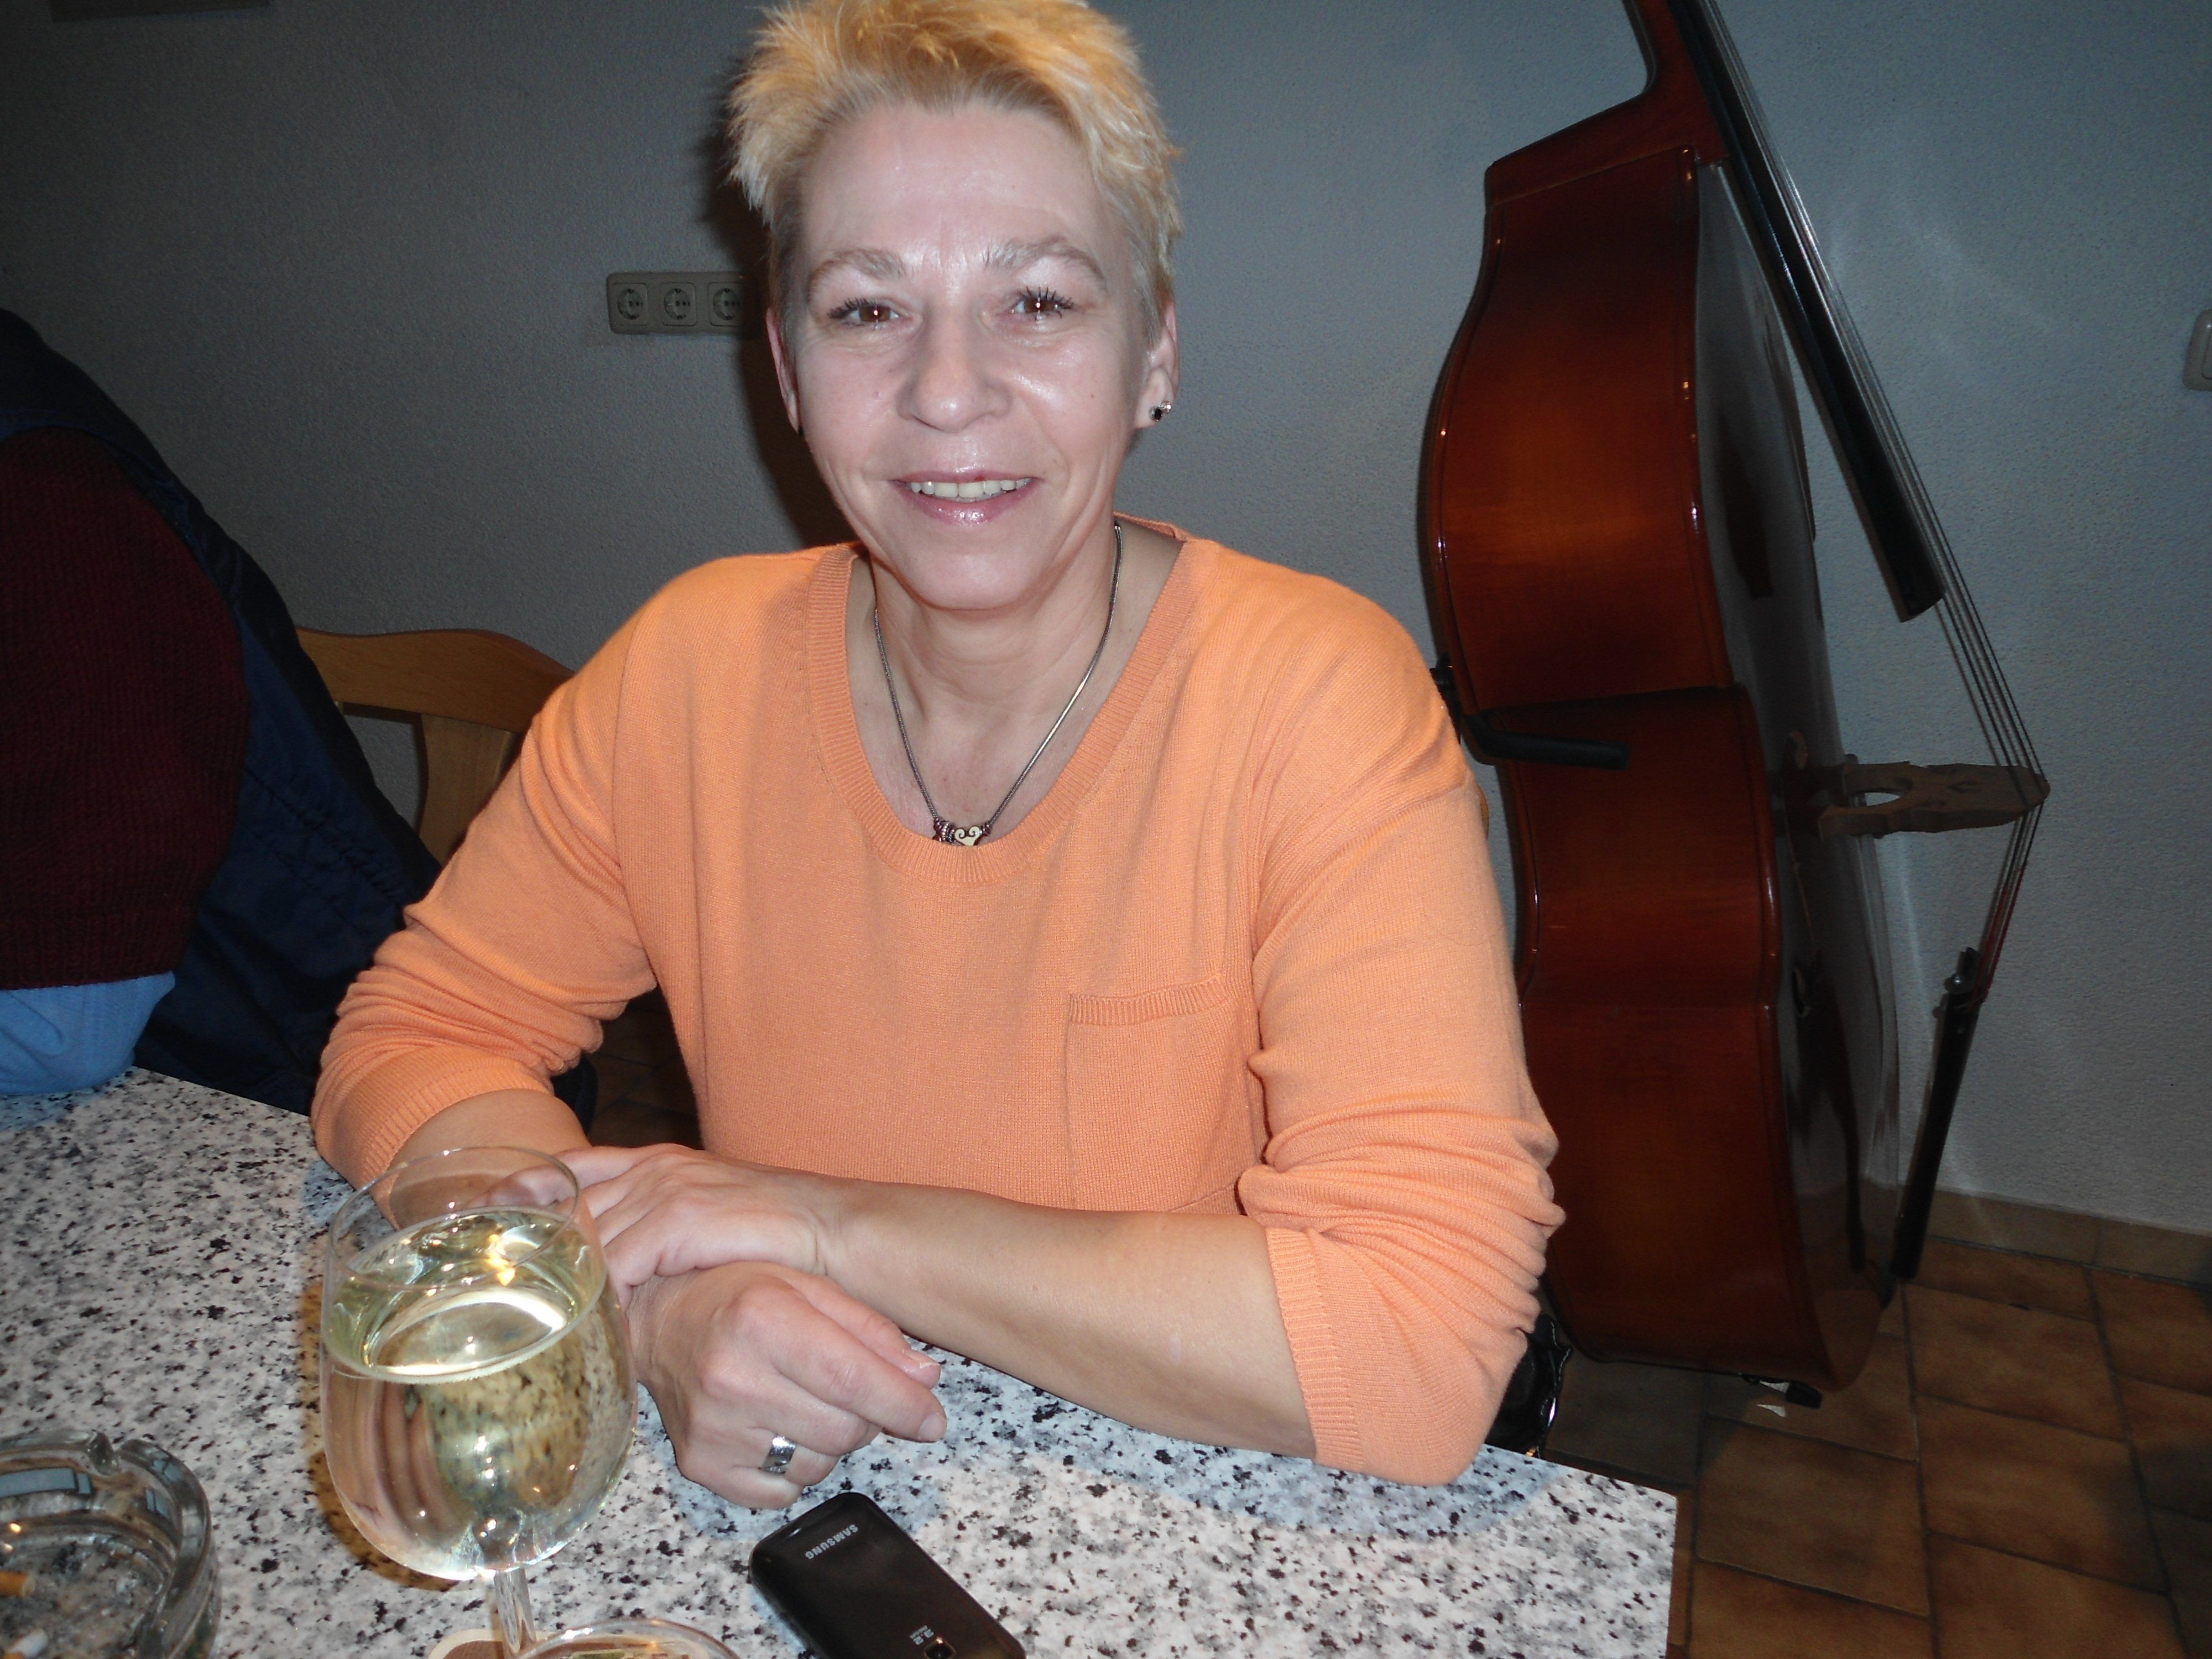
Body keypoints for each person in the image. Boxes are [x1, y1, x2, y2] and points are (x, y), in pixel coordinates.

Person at [313, 0, 1562, 1507]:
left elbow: (1417, 1343)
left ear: (1155, 351)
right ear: (786, 371)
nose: (949, 390)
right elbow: (415, 1039)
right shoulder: (685, 673)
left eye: (1037, 300)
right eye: (866, 309)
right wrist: (643, 1307)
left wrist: (815, 1223)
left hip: (1178, 1500)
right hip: (821, 1507)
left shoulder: (1318, 704)